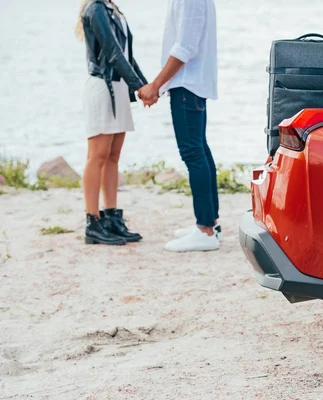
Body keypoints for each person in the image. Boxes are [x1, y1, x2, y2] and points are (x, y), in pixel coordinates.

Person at [138, 0, 220, 252]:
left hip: (187, 85)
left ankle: (205, 230)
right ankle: (211, 224)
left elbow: (185, 47)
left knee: (193, 153)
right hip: (190, 85)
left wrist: (155, 85)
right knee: (200, 150)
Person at [77, 0, 146, 245]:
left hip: (118, 86)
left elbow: (127, 55)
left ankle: (112, 217)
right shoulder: (95, 8)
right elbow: (113, 52)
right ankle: (93, 222)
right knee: (97, 155)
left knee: (113, 156)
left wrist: (144, 85)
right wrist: (141, 87)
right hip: (102, 86)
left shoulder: (111, 8)